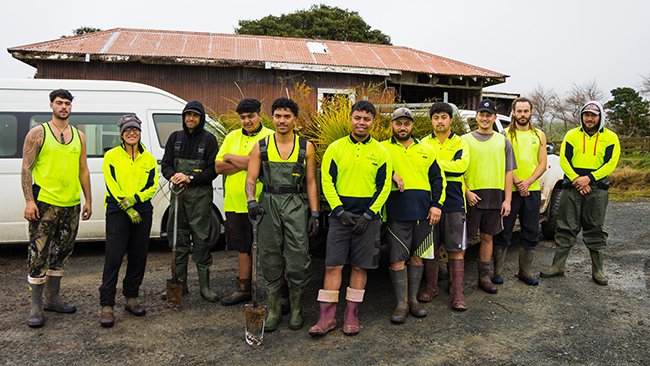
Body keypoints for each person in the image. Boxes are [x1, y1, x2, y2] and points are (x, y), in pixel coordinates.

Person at [309, 100, 392, 336]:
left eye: (367, 119)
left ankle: (351, 316)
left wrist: (368, 215)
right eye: (358, 118)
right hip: (340, 218)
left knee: (359, 267)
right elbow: (327, 181)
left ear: (373, 122)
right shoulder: (335, 149)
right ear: (350, 119)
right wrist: (338, 211)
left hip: (368, 219)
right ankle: (326, 318)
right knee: (333, 265)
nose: (361, 123)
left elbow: (384, 186)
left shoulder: (381, 152)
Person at [246, 97, 319, 331]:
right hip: (268, 204)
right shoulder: (261, 146)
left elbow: (310, 183)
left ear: (295, 120)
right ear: (272, 118)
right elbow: (250, 178)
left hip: (296, 204)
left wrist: (315, 213)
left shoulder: (306, 147)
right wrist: (250, 200)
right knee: (269, 256)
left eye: (287, 116)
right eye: (277, 116)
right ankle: (274, 310)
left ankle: (297, 309)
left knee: (298, 256)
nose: (282, 120)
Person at [21, 89, 92, 328]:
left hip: (70, 204)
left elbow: (83, 169)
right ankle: (35, 307)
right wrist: (29, 201)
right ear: (51, 105)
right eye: (59, 103)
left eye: (67, 103)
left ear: (71, 107)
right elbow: (26, 169)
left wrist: (88, 200)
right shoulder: (38, 133)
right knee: (38, 254)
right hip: (45, 205)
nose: (64, 107)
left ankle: (53, 299)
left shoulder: (78, 136)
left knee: (61, 254)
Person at [540, 101, 620, 285]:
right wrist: (578, 179)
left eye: (594, 115)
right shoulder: (572, 135)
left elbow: (610, 164)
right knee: (565, 226)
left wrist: (589, 178)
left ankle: (597, 270)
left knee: (595, 228)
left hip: (597, 190)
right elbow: (565, 161)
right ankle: (557, 266)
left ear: (600, 117)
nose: (590, 118)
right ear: (582, 116)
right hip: (573, 188)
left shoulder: (611, 137)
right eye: (586, 115)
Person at [381, 107, 445, 323]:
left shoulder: (426, 149)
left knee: (417, 258)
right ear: (392, 125)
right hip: (396, 214)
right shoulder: (382, 149)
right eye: (398, 123)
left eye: (406, 123)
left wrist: (437, 205)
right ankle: (401, 305)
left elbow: (438, 180)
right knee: (397, 260)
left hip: (424, 214)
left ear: (412, 126)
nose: (402, 127)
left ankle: (413, 300)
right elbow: (371, 171)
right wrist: (391, 174)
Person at [99, 115, 157, 327]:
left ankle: (131, 298)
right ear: (121, 134)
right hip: (118, 209)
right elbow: (111, 185)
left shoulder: (149, 159)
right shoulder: (111, 156)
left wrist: (136, 200)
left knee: (138, 255)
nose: (131, 133)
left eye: (135, 129)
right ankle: (106, 305)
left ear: (140, 132)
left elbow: (152, 186)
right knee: (113, 257)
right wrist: (128, 206)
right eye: (127, 130)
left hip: (142, 209)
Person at [215, 98, 274, 306]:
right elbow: (218, 167)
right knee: (242, 248)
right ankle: (243, 290)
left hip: (262, 203)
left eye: (251, 116)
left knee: (271, 249)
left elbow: (258, 163)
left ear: (260, 114)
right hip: (234, 202)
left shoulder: (269, 136)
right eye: (243, 118)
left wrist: (231, 157)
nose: (247, 121)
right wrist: (246, 161)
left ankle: (278, 294)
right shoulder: (231, 136)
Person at [160, 100, 219, 302]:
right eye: (187, 115)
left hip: (200, 198)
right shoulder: (174, 138)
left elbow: (212, 171)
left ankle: (205, 287)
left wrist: (191, 178)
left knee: (201, 240)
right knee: (178, 239)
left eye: (195, 115)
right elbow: (165, 164)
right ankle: (179, 284)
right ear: (183, 117)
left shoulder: (209, 140)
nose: (190, 118)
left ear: (201, 118)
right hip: (178, 197)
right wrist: (173, 175)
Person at [462, 99, 516, 294]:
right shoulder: (464, 140)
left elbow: (508, 172)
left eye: (489, 115)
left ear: (494, 117)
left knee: (487, 236)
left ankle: (484, 277)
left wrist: (508, 199)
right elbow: (458, 171)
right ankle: (456, 281)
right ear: (476, 116)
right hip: (471, 195)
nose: (485, 118)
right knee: (464, 239)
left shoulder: (503, 141)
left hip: (494, 195)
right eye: (482, 114)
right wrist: (466, 192)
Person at [421, 102, 471, 310]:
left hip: (454, 200)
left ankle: (457, 292)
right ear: (431, 120)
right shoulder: (423, 143)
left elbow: (461, 167)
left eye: (443, 117)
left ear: (451, 119)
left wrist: (433, 164)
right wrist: (443, 165)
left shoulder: (461, 143)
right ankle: (431, 287)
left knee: (455, 248)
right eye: (435, 117)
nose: (439, 121)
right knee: (429, 248)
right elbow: (418, 167)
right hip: (429, 201)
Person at [493, 98, 547, 286]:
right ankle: (497, 272)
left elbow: (542, 163)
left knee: (531, 230)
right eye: (519, 111)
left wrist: (529, 181)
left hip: (531, 189)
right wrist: (517, 182)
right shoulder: (504, 134)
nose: (522, 115)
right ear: (513, 113)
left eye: (526, 111)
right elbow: (502, 162)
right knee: (504, 230)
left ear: (531, 112)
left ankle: (525, 271)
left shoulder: (539, 135)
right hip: (510, 190)